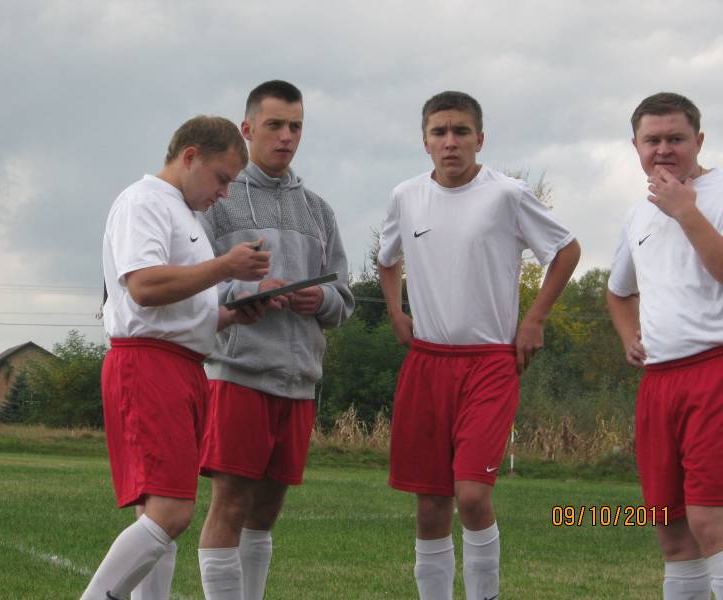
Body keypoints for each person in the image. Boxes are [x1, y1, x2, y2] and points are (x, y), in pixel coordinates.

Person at [377, 91, 580, 600]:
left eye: (461, 131)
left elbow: (566, 249)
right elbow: (387, 258)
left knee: (470, 495)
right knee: (430, 505)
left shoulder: (507, 195)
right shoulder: (405, 196)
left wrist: (534, 319)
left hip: (489, 362)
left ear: (479, 139)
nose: (450, 142)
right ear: (425, 141)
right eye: (439, 132)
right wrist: (396, 312)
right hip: (427, 362)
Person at [82, 115, 271, 600]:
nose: (223, 193)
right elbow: (144, 287)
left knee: (160, 515)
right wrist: (226, 266)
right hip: (149, 365)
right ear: (190, 157)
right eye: (221, 178)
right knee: (171, 512)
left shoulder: (185, 215)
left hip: (181, 366)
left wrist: (231, 314)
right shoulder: (144, 201)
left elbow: (179, 310)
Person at [197, 80, 354, 600]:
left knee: (266, 512)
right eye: (275, 125)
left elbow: (343, 299)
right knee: (230, 504)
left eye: (295, 127)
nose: (286, 136)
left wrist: (320, 299)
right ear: (248, 129)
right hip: (238, 375)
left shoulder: (319, 211)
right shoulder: (218, 202)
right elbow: (196, 285)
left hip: (299, 380)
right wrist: (248, 291)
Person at [607, 92, 723, 600]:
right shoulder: (638, 214)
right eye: (652, 140)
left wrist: (686, 212)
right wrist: (629, 337)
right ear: (635, 147)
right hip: (658, 383)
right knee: (673, 533)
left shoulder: (717, 193)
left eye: (675, 138)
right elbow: (618, 291)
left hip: (714, 370)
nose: (663, 150)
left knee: (712, 522)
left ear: (699, 140)